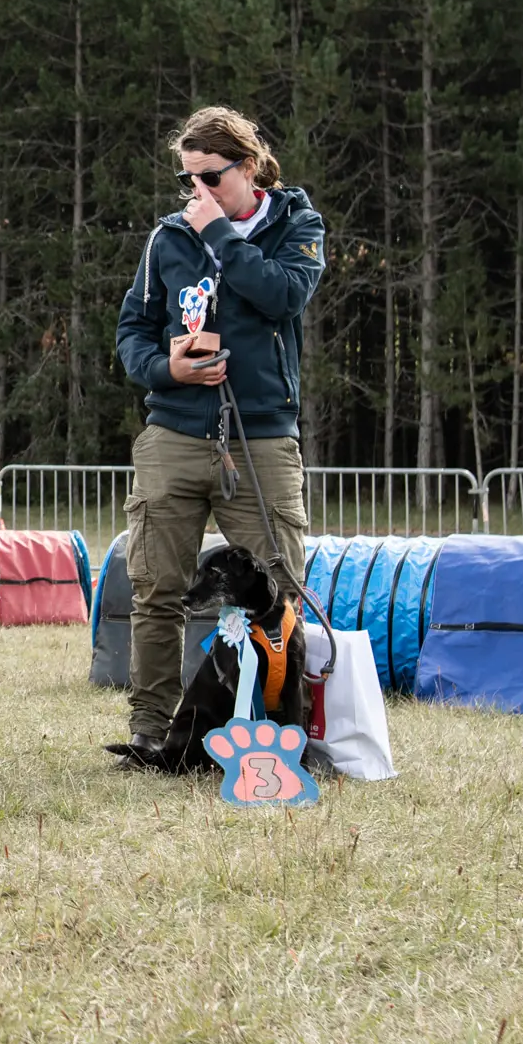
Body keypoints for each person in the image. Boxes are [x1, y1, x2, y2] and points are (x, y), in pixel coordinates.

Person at [113, 106, 325, 759]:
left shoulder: (297, 224)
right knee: (156, 586)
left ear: (250, 166)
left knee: (279, 587)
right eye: (188, 179)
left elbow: (283, 295)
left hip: (260, 439)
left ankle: (277, 726)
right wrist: (165, 368)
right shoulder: (167, 239)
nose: (197, 193)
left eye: (211, 177)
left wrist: (224, 237)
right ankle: (152, 727)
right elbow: (132, 331)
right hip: (175, 432)